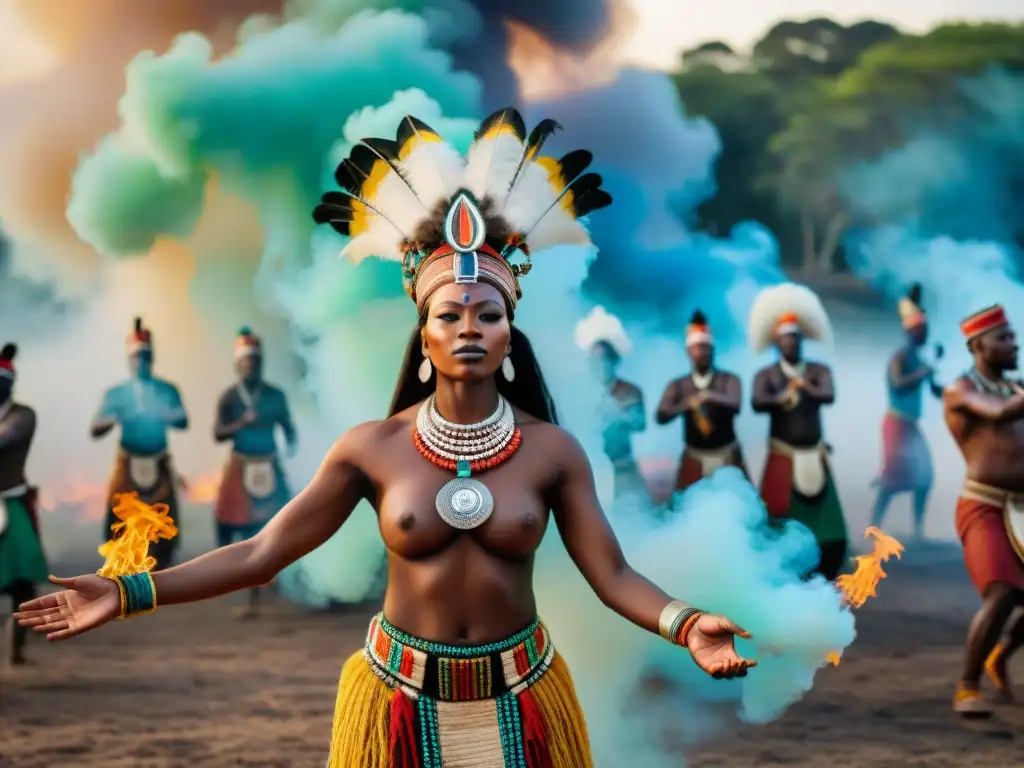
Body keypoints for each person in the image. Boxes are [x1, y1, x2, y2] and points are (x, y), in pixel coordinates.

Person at [15, 108, 755, 767]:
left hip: (523, 699)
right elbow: (260, 553)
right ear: (424, 334)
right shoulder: (370, 448)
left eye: (488, 315)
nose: (470, 327)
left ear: (509, 333)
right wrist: (128, 590)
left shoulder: (553, 452)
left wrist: (685, 625)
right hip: (396, 706)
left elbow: (612, 575)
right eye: (450, 315)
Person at [942, 304, 1024, 716]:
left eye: (1013, 337)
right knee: (1003, 592)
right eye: (1004, 338)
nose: (1015, 344)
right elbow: (998, 414)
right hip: (983, 504)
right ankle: (967, 686)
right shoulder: (961, 391)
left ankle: (1000, 656)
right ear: (979, 345)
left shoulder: (1016, 388)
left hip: (1022, 509)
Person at [749, 283, 848, 581]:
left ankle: (825, 570)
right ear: (778, 344)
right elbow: (757, 402)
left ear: (802, 341)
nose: (791, 344)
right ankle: (780, 572)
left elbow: (829, 395)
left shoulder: (817, 371)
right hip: (783, 455)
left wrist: (804, 386)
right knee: (779, 522)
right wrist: (781, 397)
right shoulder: (766, 376)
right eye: (786, 340)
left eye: (795, 338)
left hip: (814, 455)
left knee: (830, 529)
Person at [90, 318, 189, 570]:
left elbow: (183, 419)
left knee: (165, 521)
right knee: (118, 520)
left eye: (145, 356)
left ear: (152, 358)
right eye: (136, 357)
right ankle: (123, 578)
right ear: (128, 360)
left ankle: (162, 577)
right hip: (128, 461)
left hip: (158, 461)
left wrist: (166, 415)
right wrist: (110, 420)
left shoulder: (167, 390)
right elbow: (95, 428)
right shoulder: (116, 394)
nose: (141, 362)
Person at [212, 327, 297, 619]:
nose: (250, 367)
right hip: (240, 464)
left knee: (283, 524)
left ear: (261, 364)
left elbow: (288, 427)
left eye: (255, 362)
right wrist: (239, 425)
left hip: (269, 464)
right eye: (245, 363)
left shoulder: (275, 396)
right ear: (238, 365)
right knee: (226, 524)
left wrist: (292, 446)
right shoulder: (229, 398)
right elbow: (217, 433)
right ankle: (225, 577)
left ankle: (274, 584)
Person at [871, 283, 943, 540]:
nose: (926, 334)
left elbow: (935, 389)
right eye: (922, 330)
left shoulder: (918, 358)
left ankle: (917, 530)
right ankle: (874, 526)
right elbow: (899, 384)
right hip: (897, 424)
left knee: (924, 475)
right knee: (893, 479)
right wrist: (924, 372)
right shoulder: (900, 357)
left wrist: (952, 390)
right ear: (912, 332)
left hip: (910, 425)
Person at [655, 309, 746, 492]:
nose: (702, 352)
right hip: (693, 458)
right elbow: (661, 416)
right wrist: (685, 405)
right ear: (689, 351)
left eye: (706, 347)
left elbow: (735, 404)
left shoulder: (729, 380)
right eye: (698, 348)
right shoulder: (678, 385)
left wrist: (709, 396)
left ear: (713, 349)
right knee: (685, 510)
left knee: (741, 508)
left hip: (727, 456)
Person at [0, 343, 47, 666]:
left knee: (22, 582)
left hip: (11, 502)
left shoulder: (22, 415)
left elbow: (5, 438)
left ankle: (16, 649)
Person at [574, 305, 649, 505]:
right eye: (595, 359)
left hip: (623, 467)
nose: (600, 365)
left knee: (634, 513)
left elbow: (640, 423)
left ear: (614, 360)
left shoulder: (630, 390)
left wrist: (618, 414)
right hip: (590, 469)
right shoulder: (580, 392)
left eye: (604, 359)